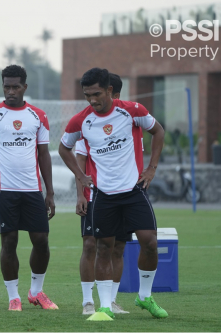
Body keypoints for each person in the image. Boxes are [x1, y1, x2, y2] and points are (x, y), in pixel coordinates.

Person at [58, 67, 168, 319]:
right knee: (103, 248)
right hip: (103, 195)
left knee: (150, 242)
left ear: (109, 90)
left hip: (134, 191)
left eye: (96, 94)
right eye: (87, 95)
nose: (92, 100)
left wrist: (151, 168)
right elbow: (64, 148)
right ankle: (104, 307)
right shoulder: (80, 120)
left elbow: (158, 131)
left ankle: (145, 297)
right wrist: (80, 175)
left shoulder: (132, 111)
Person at [0, 64, 58, 312]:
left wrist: (50, 192)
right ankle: (14, 297)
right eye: (6, 87)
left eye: (15, 86)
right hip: (4, 190)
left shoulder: (38, 115)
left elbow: (44, 154)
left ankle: (36, 292)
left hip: (33, 190)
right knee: (9, 241)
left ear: (24, 87)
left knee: (41, 240)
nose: (10, 91)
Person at [74, 73, 132, 315]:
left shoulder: (128, 122)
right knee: (90, 246)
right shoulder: (88, 123)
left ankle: (112, 300)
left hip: (124, 196)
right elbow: (79, 161)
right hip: (95, 196)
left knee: (118, 247)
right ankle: (88, 301)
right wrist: (80, 195)